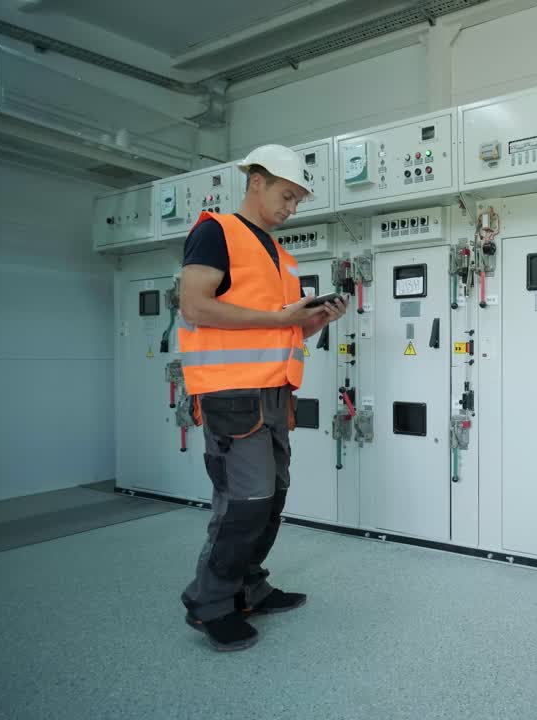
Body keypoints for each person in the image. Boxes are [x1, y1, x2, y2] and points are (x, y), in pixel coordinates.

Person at [176, 144, 348, 651]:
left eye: (297, 200)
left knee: (271, 501)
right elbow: (194, 306)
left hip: (273, 395)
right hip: (232, 396)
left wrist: (311, 322)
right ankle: (209, 604)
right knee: (243, 504)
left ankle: (248, 588)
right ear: (256, 181)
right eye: (286, 195)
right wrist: (280, 319)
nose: (291, 208)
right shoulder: (216, 232)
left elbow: (275, 330)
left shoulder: (279, 255)